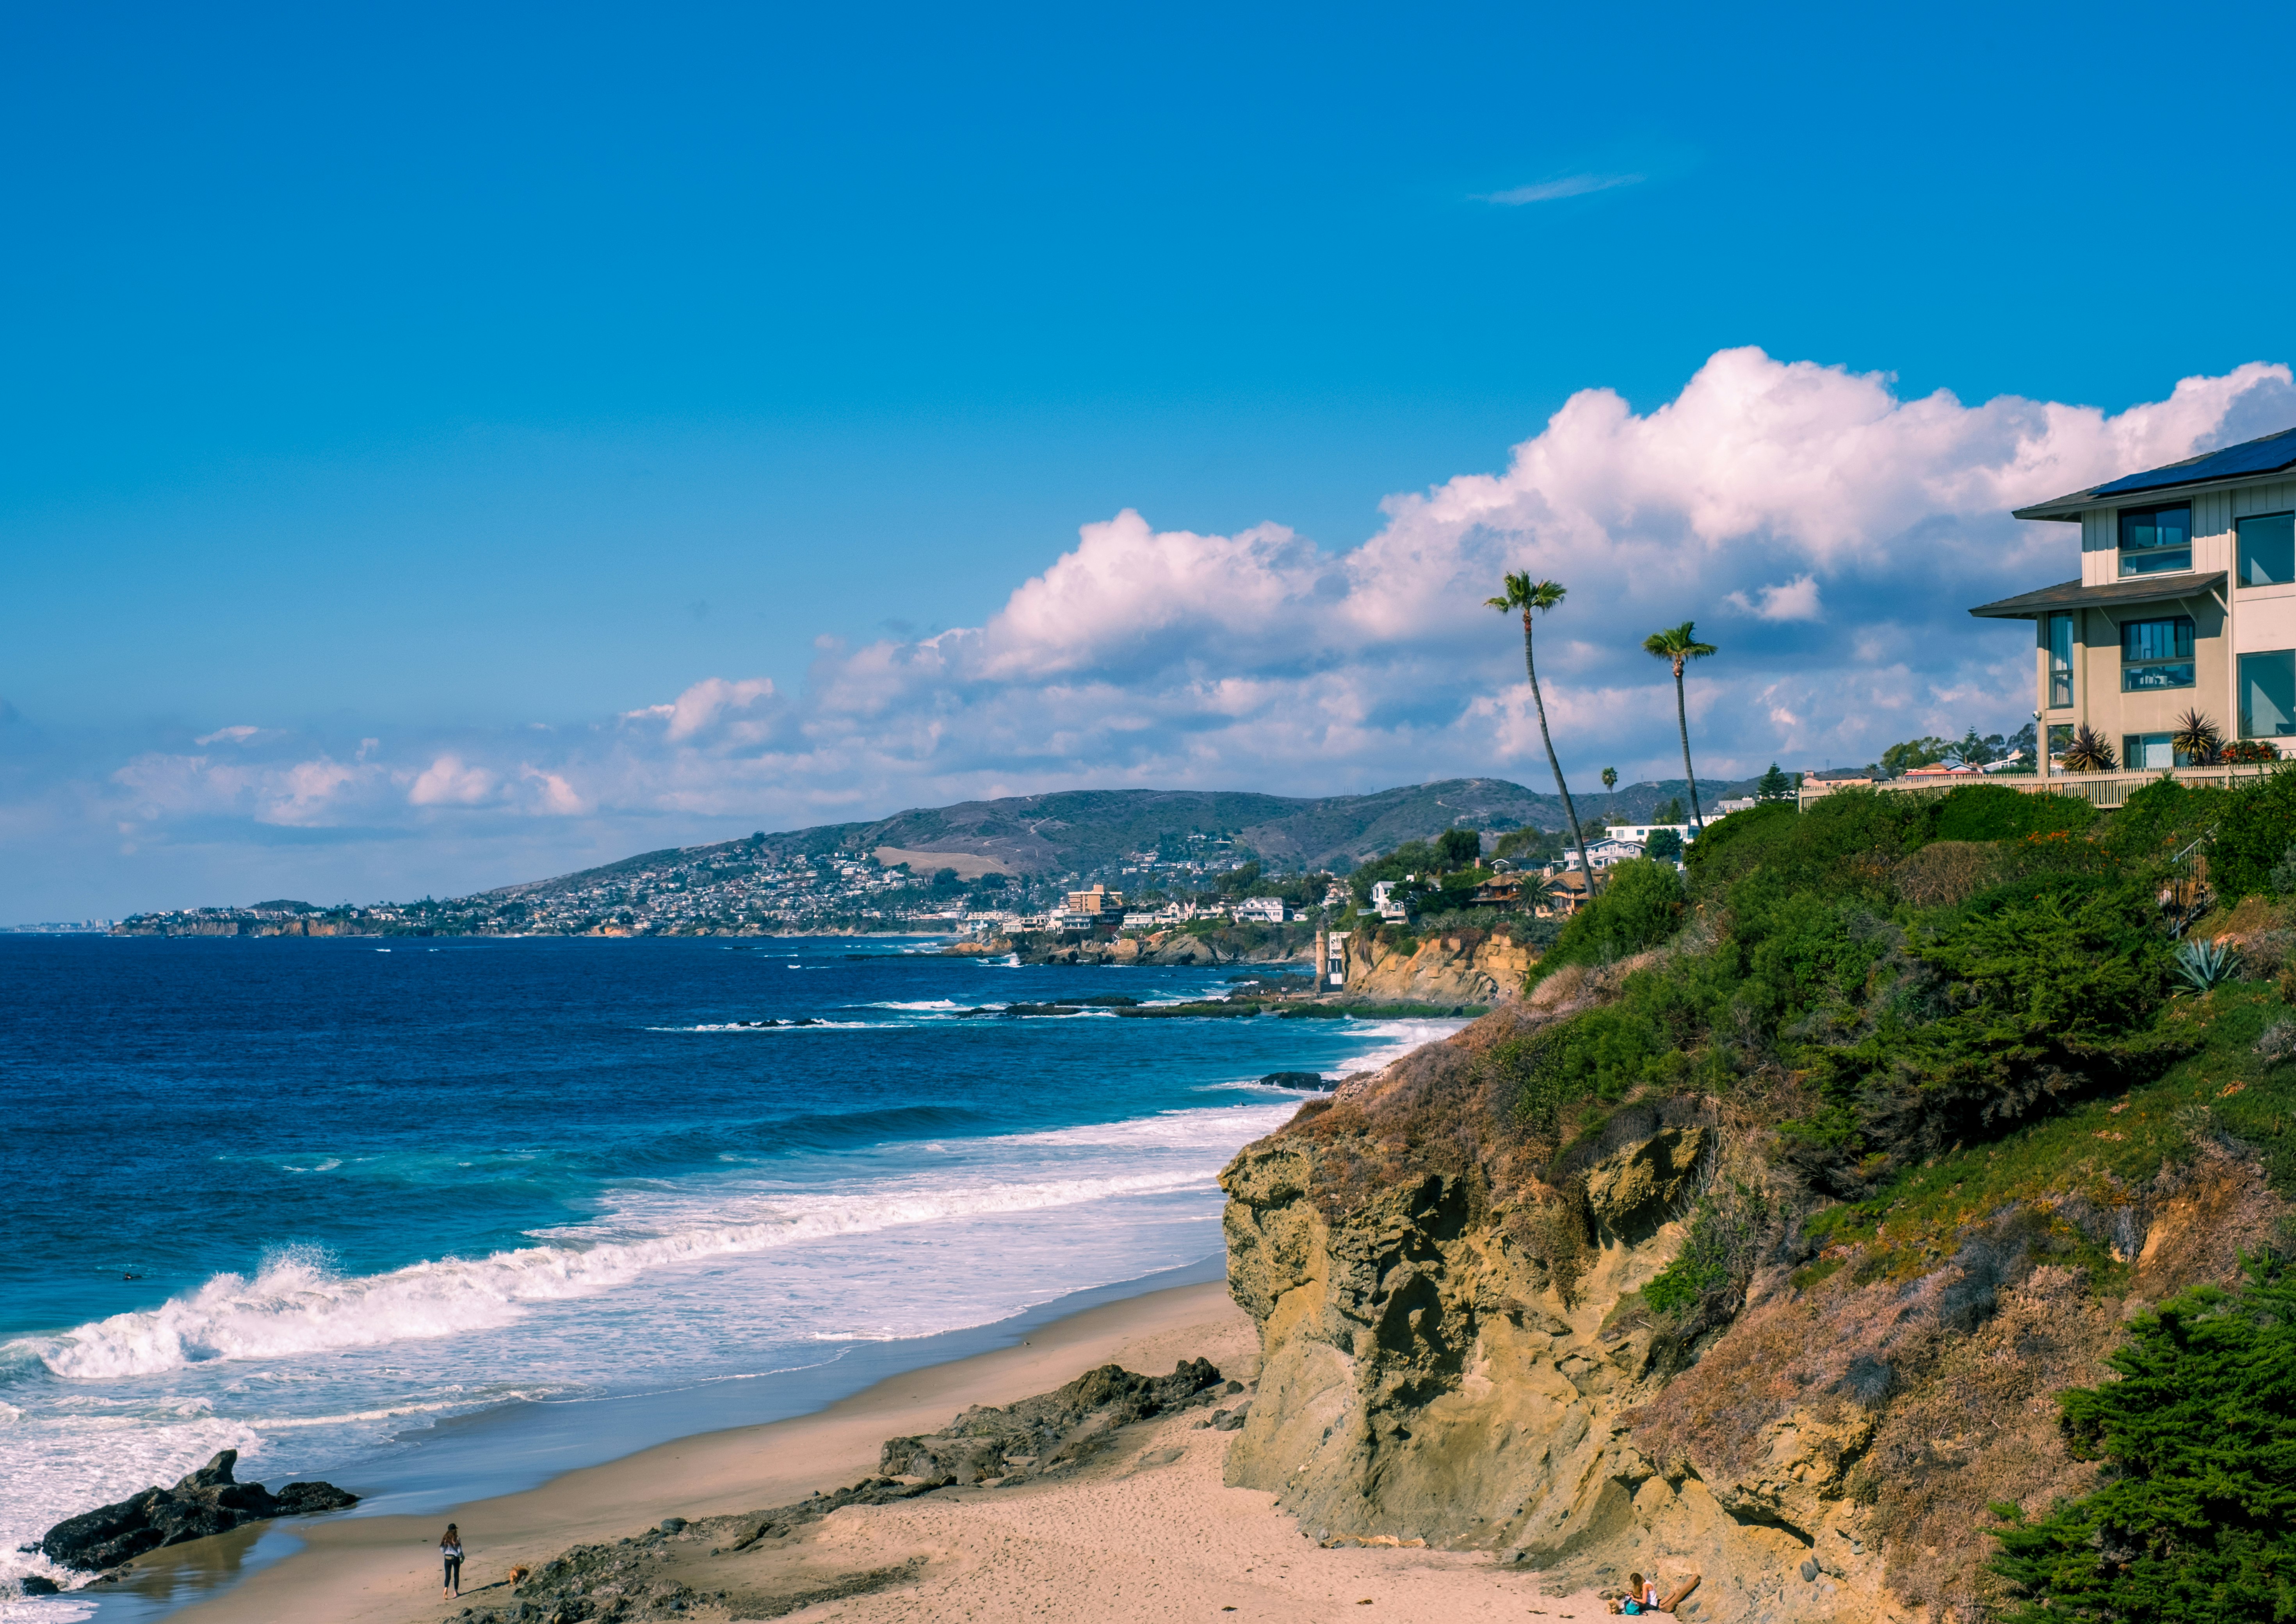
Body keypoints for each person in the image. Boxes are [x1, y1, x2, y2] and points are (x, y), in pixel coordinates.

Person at [440, 1524, 464, 1599]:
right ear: (454, 1530)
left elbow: (442, 1549)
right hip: (455, 1558)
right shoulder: (457, 1538)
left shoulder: (445, 1538)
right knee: (456, 1575)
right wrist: (462, 1557)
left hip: (447, 1558)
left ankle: (446, 1589)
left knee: (448, 1576)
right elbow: (459, 1549)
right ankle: (456, 1593)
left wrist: (447, 1552)